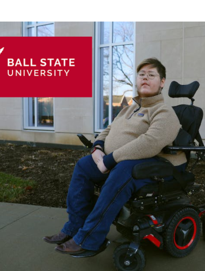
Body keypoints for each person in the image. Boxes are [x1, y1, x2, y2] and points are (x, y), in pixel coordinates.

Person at [43, 58, 187, 255]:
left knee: (124, 170)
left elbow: (150, 142)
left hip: (160, 166)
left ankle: (90, 240)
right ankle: (73, 228)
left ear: (162, 82)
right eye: (142, 75)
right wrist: (97, 147)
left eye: (151, 75)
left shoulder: (164, 111)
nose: (145, 78)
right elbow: (108, 130)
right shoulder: (129, 109)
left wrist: (110, 160)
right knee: (84, 166)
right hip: (121, 161)